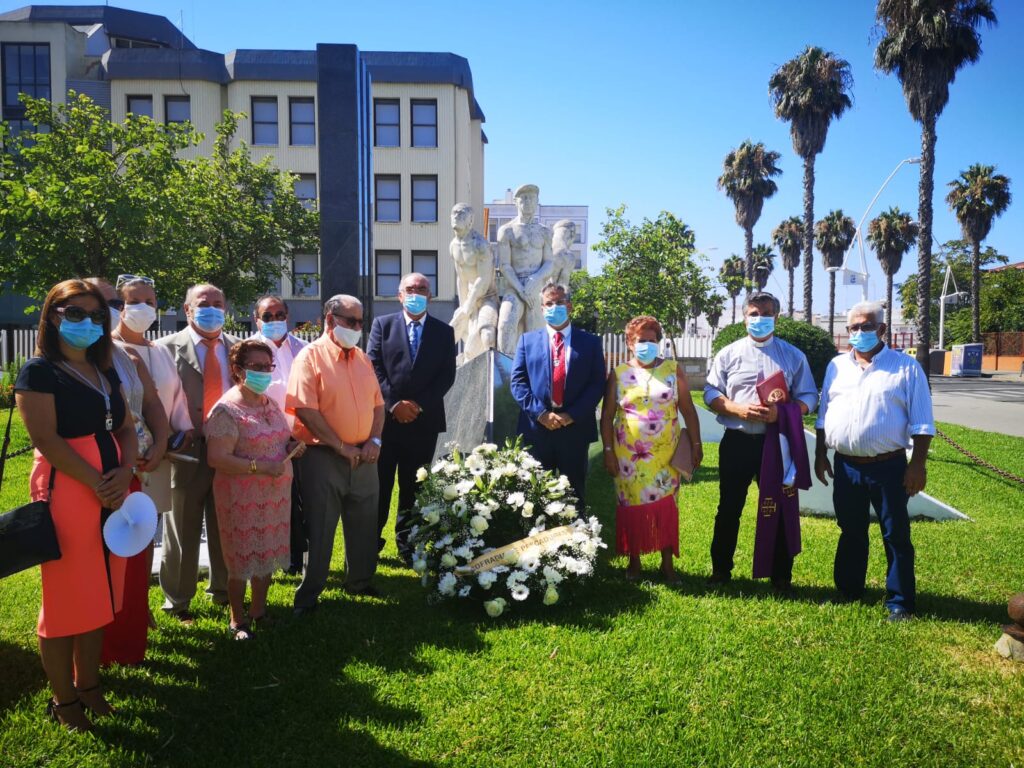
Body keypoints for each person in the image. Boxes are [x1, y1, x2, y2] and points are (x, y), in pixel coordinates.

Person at [14, 279, 138, 731]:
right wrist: (97, 483)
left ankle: (89, 685)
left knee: (101, 594)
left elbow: (124, 427)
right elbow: (45, 438)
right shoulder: (39, 371)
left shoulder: (104, 370)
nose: (86, 322)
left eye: (95, 315)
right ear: (52, 315)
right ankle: (64, 700)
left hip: (113, 492)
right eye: (74, 313)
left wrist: (124, 472)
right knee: (67, 599)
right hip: (70, 494)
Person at [815, 301, 934, 622]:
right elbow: (825, 413)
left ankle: (900, 602)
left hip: (889, 467)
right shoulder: (836, 366)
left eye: (866, 326)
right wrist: (820, 455)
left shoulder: (906, 368)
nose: (859, 332)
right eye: (853, 327)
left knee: (895, 534)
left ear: (882, 329)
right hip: (846, 464)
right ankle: (849, 590)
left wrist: (917, 465)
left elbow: (922, 422)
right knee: (850, 529)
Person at [703, 292, 817, 591]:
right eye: (753, 313)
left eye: (766, 313)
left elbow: (809, 396)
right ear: (744, 317)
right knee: (729, 508)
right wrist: (736, 408)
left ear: (777, 317)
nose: (759, 319)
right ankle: (720, 570)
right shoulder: (728, 353)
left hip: (776, 444)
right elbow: (711, 393)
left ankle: (781, 575)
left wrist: (783, 412)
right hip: (737, 441)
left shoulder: (793, 355)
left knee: (779, 507)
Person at [86, 277, 169, 666]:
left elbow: (152, 404)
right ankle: (93, 655)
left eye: (114, 301)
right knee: (94, 567)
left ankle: (127, 645)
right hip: (93, 476)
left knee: (134, 561)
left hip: (135, 470)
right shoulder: (68, 359)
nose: (113, 308)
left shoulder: (127, 357)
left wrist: (162, 442)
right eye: (104, 301)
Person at [286, 294, 385, 614]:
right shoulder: (310, 357)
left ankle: (360, 581)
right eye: (351, 321)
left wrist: (375, 441)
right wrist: (340, 446)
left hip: (364, 456)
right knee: (320, 527)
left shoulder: (362, 358)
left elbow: (378, 406)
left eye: (361, 321)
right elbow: (305, 410)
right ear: (330, 320)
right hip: (323, 456)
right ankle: (309, 594)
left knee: (366, 522)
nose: (358, 327)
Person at [206, 340, 306, 639]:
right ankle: (238, 620)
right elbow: (217, 458)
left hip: (274, 497)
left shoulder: (268, 403)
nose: (265, 372)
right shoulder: (226, 410)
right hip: (241, 498)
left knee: (266, 554)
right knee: (241, 559)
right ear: (238, 370)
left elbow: (279, 438)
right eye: (257, 367)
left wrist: (291, 446)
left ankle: (259, 611)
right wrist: (260, 467)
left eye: (268, 367)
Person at [156, 284, 239, 621]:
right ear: (187, 310)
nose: (212, 309)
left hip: (229, 452)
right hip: (186, 452)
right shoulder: (164, 349)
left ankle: (223, 590)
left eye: (218, 303)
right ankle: (177, 600)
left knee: (226, 526)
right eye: (204, 304)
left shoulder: (237, 348)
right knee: (181, 528)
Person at [600, 316, 703, 582]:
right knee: (631, 505)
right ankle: (634, 563)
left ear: (659, 342)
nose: (647, 345)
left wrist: (696, 443)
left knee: (667, 506)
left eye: (652, 340)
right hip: (629, 458)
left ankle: (667, 564)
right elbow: (607, 416)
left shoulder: (673, 369)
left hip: (665, 456)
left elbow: (688, 411)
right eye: (641, 341)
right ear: (630, 344)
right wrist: (609, 451)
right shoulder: (619, 373)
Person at [367, 273, 457, 565]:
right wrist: (394, 405)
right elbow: (373, 367)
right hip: (385, 423)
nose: (416, 293)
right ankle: (370, 543)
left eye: (422, 289)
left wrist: (417, 406)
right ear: (399, 294)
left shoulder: (444, 332)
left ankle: (408, 544)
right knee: (379, 485)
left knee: (413, 488)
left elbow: (446, 376)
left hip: (424, 423)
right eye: (410, 289)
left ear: (430, 296)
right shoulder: (382, 325)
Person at [510, 283, 606, 507]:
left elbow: (597, 383)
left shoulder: (590, 343)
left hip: (574, 430)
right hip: (536, 430)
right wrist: (541, 414)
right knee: (533, 496)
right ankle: (536, 540)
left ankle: (575, 540)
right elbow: (518, 382)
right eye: (548, 304)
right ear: (542, 309)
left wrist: (571, 415)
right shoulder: (527, 340)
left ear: (569, 306)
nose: (554, 307)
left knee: (574, 496)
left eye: (559, 302)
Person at [252, 294, 308, 575]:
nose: (274, 321)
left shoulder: (303, 349)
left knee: (300, 501)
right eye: (267, 316)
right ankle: (269, 559)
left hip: (302, 440)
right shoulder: (247, 351)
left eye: (279, 315)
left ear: (287, 315)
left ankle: (295, 560)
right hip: (264, 440)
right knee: (271, 503)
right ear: (256, 319)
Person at [496, 184, 556, 355]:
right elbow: (504, 265)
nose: (528, 201)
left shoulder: (544, 231)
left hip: (537, 285)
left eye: (532, 197)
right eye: (524, 198)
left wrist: (535, 279)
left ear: (537, 201)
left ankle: (535, 371)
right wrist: (521, 289)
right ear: (516, 202)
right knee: (506, 323)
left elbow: (549, 263)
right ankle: (504, 368)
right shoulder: (506, 231)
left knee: (536, 332)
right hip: (514, 286)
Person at [449, 203, 498, 362]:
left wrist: (469, 305)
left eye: (461, 214)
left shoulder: (480, 245)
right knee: (450, 334)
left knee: (487, 335)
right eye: (454, 213)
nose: (456, 216)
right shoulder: (453, 246)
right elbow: (461, 278)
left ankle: (490, 371)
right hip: (468, 298)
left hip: (486, 298)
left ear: (470, 221)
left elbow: (483, 280)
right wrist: (463, 308)